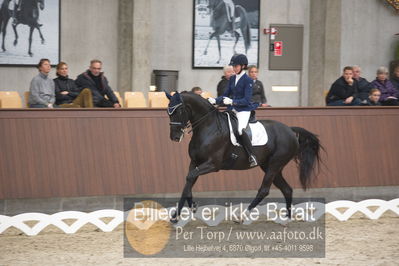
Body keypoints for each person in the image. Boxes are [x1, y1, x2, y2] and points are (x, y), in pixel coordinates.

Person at [208, 54, 259, 167]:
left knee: (240, 130)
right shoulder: (232, 79)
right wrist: (214, 100)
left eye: (236, 66)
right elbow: (225, 95)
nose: (234, 68)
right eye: (233, 66)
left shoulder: (248, 80)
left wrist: (232, 102)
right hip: (232, 109)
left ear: (243, 66)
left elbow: (246, 100)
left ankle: (252, 156)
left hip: (243, 110)